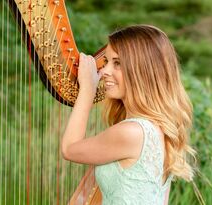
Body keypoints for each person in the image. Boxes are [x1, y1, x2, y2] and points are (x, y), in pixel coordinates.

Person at [61, 25, 196, 205]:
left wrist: (87, 89)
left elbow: (69, 149)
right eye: (106, 61)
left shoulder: (133, 132)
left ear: (142, 71)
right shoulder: (160, 129)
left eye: (117, 63)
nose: (105, 71)